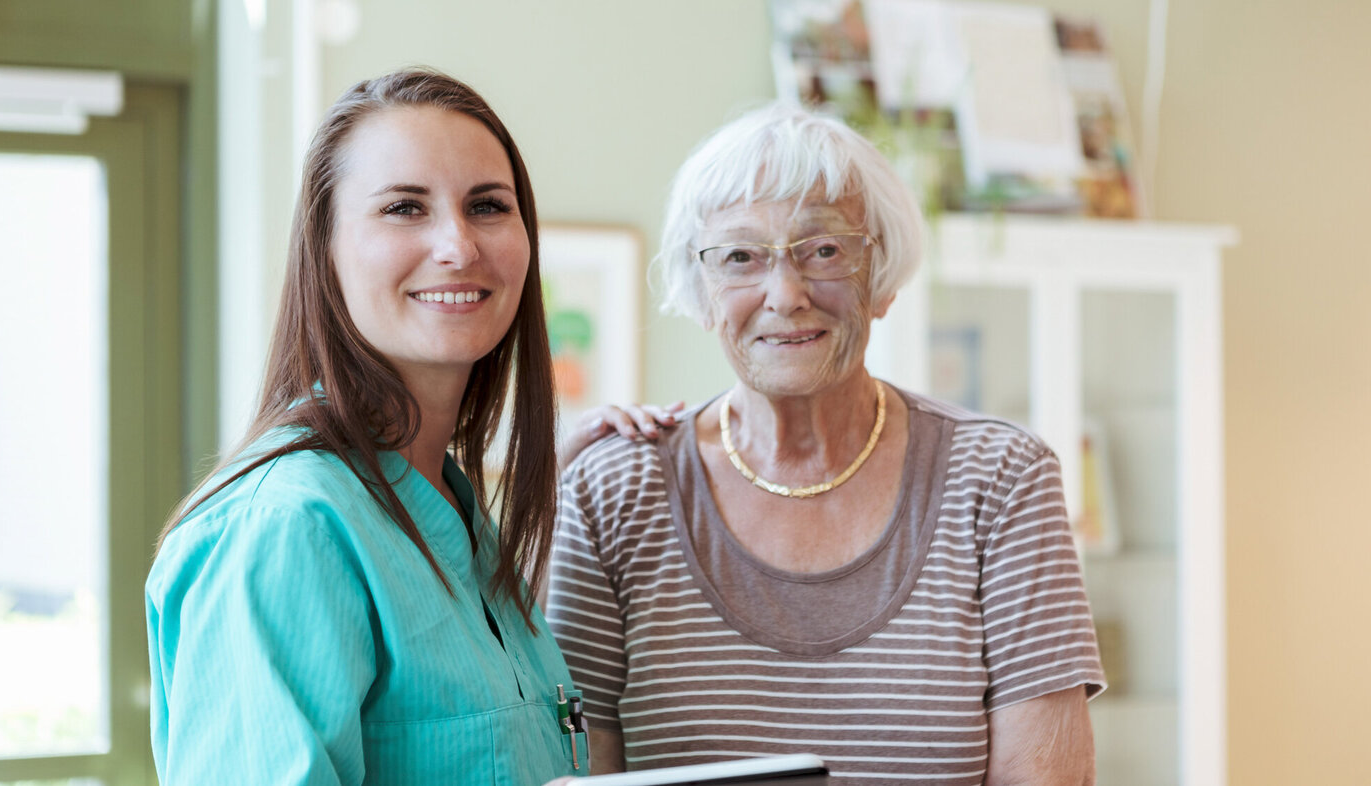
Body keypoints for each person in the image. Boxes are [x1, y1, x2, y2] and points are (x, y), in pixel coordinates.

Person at [545, 104, 1106, 785]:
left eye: (825, 250)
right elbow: (573, 767)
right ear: (703, 292)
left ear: (883, 276)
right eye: (740, 257)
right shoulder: (614, 491)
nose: (785, 293)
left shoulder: (1001, 479)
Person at [146, 68, 585, 785]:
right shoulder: (286, 529)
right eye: (405, 208)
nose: (458, 245)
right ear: (325, 250)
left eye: (487, 206)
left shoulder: (456, 515)